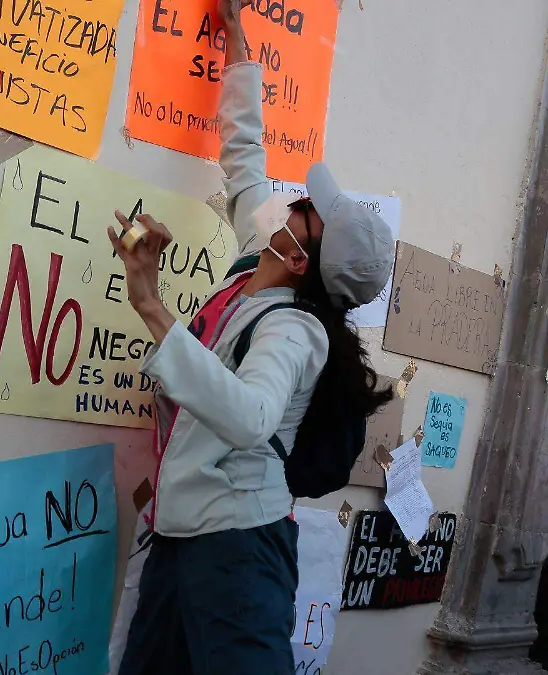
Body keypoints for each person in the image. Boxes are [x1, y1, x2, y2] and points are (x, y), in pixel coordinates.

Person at [107, 0, 395, 673]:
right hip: (183, 533)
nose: (296, 201)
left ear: (300, 256)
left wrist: (152, 305)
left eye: (309, 212)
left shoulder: (295, 330)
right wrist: (238, 38)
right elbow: (243, 154)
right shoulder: (256, 259)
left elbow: (252, 414)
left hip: (237, 547)